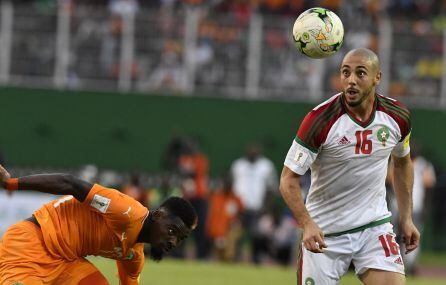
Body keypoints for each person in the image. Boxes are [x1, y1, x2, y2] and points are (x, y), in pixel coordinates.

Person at [279, 48, 419, 285]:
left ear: (377, 78)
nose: (351, 80)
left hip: (374, 226)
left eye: (360, 73)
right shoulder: (319, 120)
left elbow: (403, 163)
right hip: (325, 235)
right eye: (346, 73)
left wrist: (406, 218)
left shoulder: (397, 116)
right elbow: (287, 179)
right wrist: (307, 224)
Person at [0, 164, 197, 285]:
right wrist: (11, 184)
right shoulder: (126, 211)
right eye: (172, 231)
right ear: (158, 215)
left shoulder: (133, 257)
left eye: (180, 238)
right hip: (31, 245)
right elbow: (70, 184)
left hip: (66, 261)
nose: (173, 240)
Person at [230, 142, 277, 264]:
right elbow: (231, 186)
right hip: (240, 209)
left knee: (257, 237)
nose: (252, 152)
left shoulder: (267, 166)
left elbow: (271, 189)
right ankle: (235, 260)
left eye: (255, 150)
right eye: (250, 150)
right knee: (236, 235)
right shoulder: (238, 165)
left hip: (258, 209)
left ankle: (256, 262)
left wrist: (266, 208)